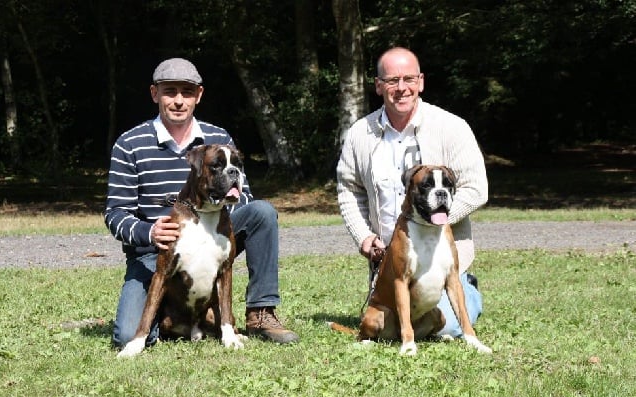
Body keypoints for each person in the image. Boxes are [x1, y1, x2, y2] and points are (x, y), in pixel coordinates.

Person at [105, 57, 299, 348]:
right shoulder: (130, 144)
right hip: (154, 251)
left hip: (212, 231)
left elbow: (242, 195)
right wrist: (149, 232)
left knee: (261, 212)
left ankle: (261, 311)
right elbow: (115, 213)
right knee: (125, 336)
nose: (179, 101)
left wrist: (226, 201)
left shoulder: (218, 137)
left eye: (187, 92)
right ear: (155, 94)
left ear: (199, 95)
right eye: (170, 91)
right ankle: (165, 315)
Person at [336, 47, 488, 338]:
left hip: (440, 259)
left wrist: (434, 217)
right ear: (379, 86)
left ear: (421, 81)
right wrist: (364, 236)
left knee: (447, 328)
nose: (402, 88)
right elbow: (348, 190)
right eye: (392, 80)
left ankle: (465, 287)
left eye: (409, 79)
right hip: (394, 267)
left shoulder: (452, 127)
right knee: (387, 331)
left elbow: (477, 189)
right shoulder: (359, 133)